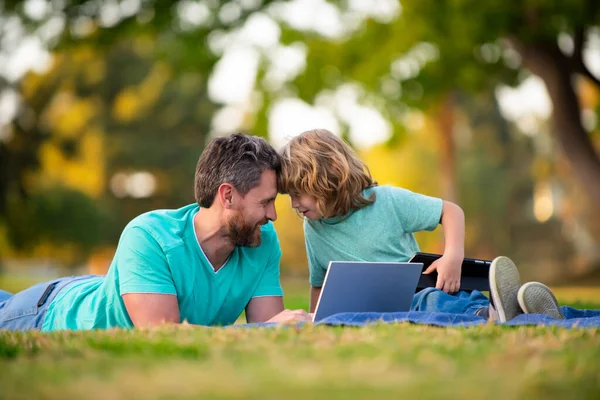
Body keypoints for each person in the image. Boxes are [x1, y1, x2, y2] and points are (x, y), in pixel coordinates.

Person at [0, 133, 312, 331]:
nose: (272, 215)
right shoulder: (149, 235)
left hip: (114, 287)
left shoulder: (262, 242)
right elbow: (163, 334)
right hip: (47, 312)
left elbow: (270, 328)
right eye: (266, 202)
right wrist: (260, 330)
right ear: (227, 195)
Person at [278, 128, 566, 322]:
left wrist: (452, 256)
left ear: (327, 180)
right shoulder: (313, 227)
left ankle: (492, 311)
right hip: (374, 311)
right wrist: (317, 320)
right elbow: (320, 283)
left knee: (430, 302)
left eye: (298, 193)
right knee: (420, 310)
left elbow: (451, 212)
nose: (293, 205)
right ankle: (511, 311)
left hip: (417, 292)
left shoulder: (387, 200)